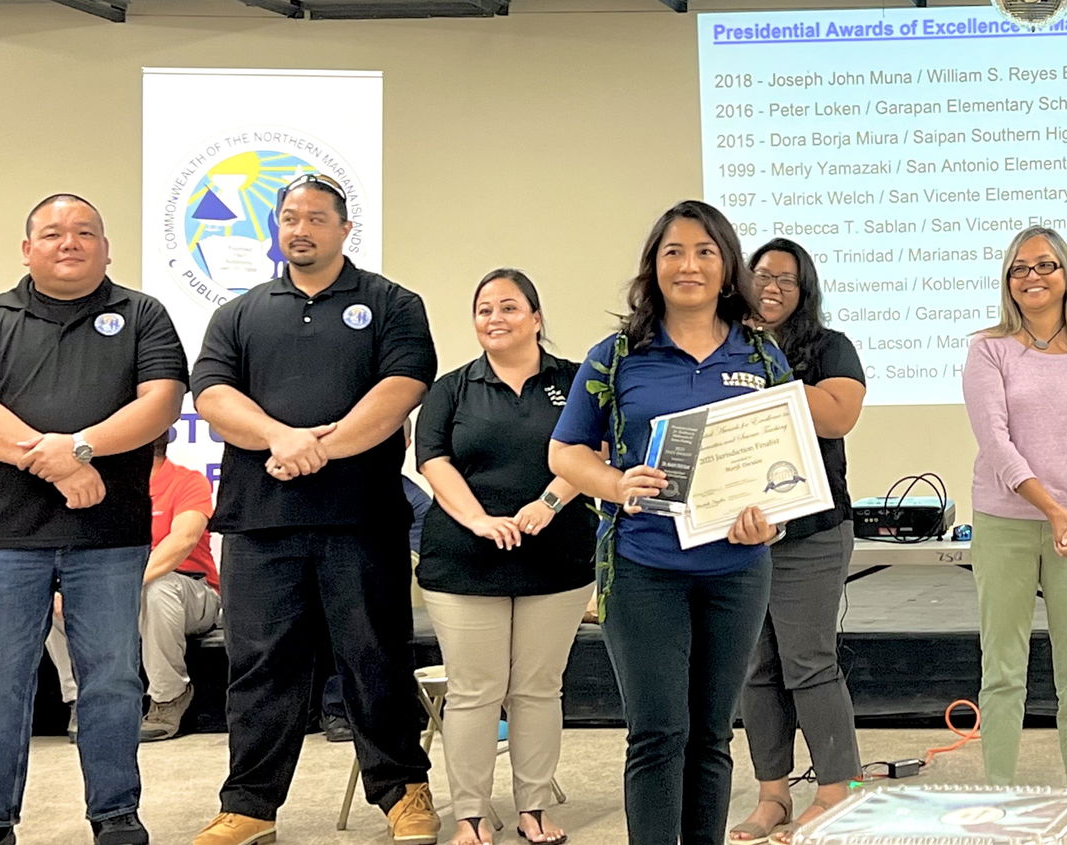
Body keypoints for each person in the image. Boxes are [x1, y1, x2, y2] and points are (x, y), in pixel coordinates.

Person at [189, 173, 440, 845]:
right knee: (260, 666)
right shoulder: (240, 313)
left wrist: (318, 451)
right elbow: (211, 392)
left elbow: (401, 389)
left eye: (316, 217)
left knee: (376, 660)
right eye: (289, 217)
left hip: (361, 519)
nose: (300, 228)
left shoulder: (391, 303)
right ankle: (249, 805)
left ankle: (403, 791)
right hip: (259, 521)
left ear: (344, 228)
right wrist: (279, 437)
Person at [548, 200, 788, 845]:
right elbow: (565, 450)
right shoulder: (619, 354)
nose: (689, 265)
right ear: (653, 267)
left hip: (736, 571)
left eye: (705, 252)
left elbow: (784, 466)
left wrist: (771, 524)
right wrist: (614, 483)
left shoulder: (763, 356)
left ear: (727, 265)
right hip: (642, 567)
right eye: (673, 252)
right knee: (658, 734)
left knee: (711, 735)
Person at [0, 194, 186, 845]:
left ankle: (115, 812)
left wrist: (82, 445)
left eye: (85, 231)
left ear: (107, 246)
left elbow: (162, 403)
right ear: (26, 248)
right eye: (54, 232)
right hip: (3, 536)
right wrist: (60, 464)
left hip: (109, 536)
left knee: (115, 680)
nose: (70, 241)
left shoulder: (142, 313)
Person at [415, 268, 596, 845]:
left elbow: (596, 449)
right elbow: (434, 461)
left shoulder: (574, 381)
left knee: (538, 688)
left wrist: (548, 501)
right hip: (465, 561)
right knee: (475, 690)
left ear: (537, 319)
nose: (495, 319)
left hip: (557, 556)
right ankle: (469, 814)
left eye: (509, 308)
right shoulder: (453, 387)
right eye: (484, 310)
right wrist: (477, 520)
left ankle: (534, 808)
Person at [961, 226, 1067, 788]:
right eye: (1019, 268)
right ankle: (1000, 798)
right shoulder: (988, 349)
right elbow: (996, 441)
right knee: (1002, 671)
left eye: (1044, 265)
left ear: (1066, 276)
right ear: (1007, 282)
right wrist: (1054, 510)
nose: (1032, 276)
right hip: (1006, 523)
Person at [730, 239, 866, 844]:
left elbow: (839, 416)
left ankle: (839, 790)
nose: (773, 287)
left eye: (788, 279)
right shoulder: (722, 344)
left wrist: (765, 371)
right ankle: (773, 793)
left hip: (812, 530)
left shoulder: (828, 347)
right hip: (738, 531)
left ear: (805, 289)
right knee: (756, 668)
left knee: (808, 661)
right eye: (762, 275)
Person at [45, 431, 221, 744]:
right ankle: (82, 702)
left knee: (156, 590)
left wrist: (120, 585)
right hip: (117, 588)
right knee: (55, 601)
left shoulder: (187, 480)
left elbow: (183, 541)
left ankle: (169, 698)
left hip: (191, 589)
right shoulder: (105, 488)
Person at [321, 421, 432, 744]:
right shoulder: (335, 491)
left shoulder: (415, 501)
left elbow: (419, 558)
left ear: (407, 443)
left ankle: (386, 710)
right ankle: (337, 708)